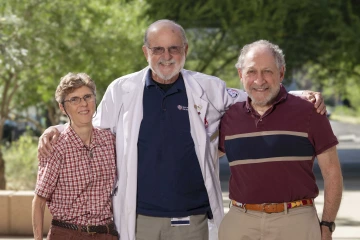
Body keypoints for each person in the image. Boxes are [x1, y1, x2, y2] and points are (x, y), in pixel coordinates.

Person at [38, 20, 326, 240]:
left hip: (194, 220)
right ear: (145, 52)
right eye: (158, 49)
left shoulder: (207, 87)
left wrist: (300, 95)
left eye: (174, 48)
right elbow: (90, 129)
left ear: (185, 50)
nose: (167, 55)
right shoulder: (122, 90)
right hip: (140, 219)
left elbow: (255, 94)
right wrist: (55, 129)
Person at [218, 40, 343, 240]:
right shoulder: (228, 117)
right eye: (251, 72)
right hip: (240, 223)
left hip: (296, 222)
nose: (259, 80)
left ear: (281, 73)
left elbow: (333, 173)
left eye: (267, 71)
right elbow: (201, 154)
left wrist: (327, 225)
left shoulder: (310, 112)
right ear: (241, 75)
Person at [32, 73, 118, 240]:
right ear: (63, 108)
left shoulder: (110, 141)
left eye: (87, 96)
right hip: (67, 234)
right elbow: (39, 201)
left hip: (106, 234)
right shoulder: (55, 147)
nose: (83, 104)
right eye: (74, 99)